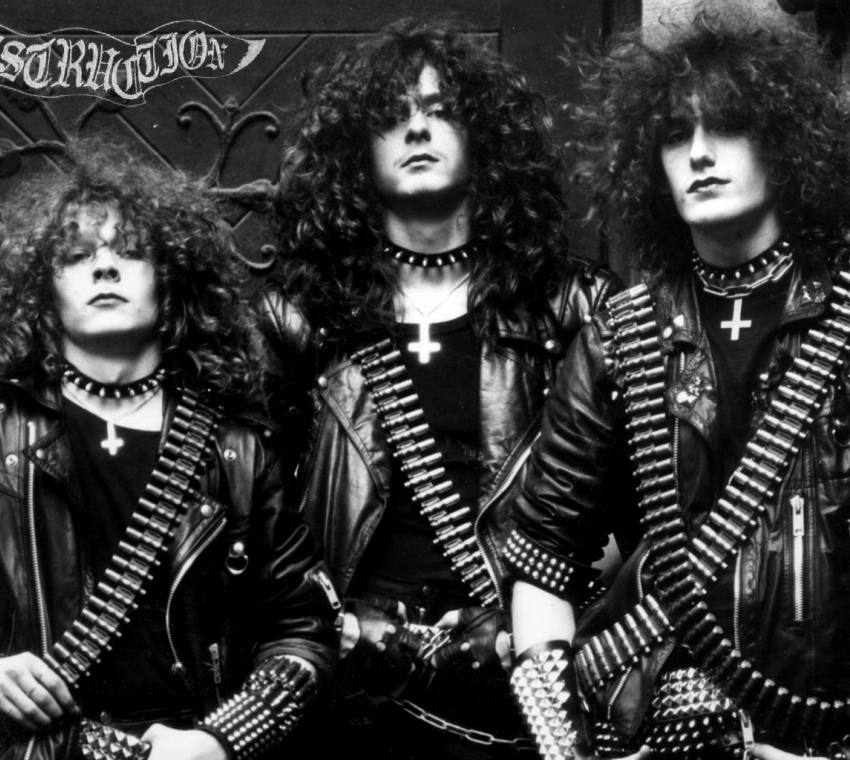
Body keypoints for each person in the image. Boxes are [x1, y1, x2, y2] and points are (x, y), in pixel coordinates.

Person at [0, 137, 338, 760]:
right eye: (77, 255)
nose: (104, 268)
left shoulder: (234, 450)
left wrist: (220, 739)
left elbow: (304, 628)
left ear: (171, 286)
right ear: (43, 293)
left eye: (130, 252)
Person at [255, 17, 620, 760]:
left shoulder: (574, 306)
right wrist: (332, 623)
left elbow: (635, 519)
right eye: (392, 116)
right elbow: (252, 511)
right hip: (348, 688)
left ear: (485, 136)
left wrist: (543, 622)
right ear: (355, 151)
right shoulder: (300, 317)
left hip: (519, 682)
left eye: (441, 109)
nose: (417, 129)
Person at [506, 14, 850, 760]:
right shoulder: (621, 333)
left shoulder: (844, 318)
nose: (697, 153)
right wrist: (563, 746)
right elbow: (541, 557)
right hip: (661, 729)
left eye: (727, 125)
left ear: (786, 142)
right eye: (673, 135)